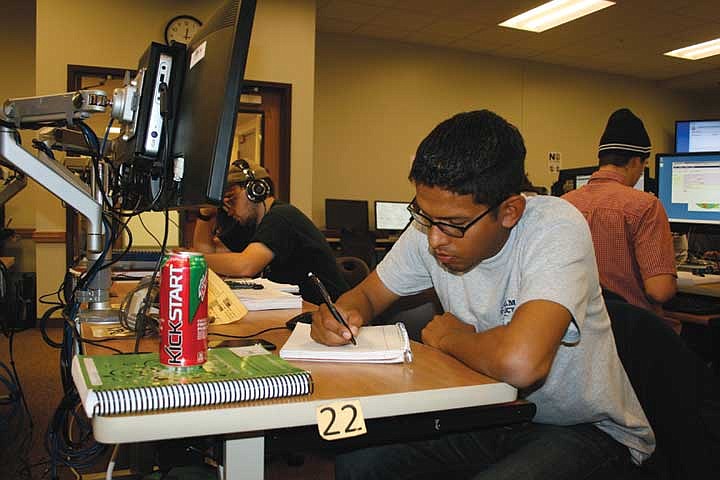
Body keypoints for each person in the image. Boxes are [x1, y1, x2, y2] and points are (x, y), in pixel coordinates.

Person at [311, 110, 653, 479]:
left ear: (509, 212)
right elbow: (366, 297)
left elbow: (522, 364)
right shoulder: (433, 226)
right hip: (495, 415)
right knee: (360, 463)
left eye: (454, 225)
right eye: (424, 216)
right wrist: (339, 314)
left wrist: (449, 338)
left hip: (583, 428)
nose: (435, 239)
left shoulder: (555, 227)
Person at [562, 108, 677, 330]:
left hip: (581, 329)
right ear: (635, 161)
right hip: (634, 332)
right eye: (643, 165)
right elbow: (660, 291)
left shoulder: (564, 203)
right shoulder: (645, 206)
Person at [193, 160, 348, 305]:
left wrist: (192, 260)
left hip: (326, 310)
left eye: (232, 199)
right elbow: (209, 252)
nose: (228, 210)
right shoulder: (251, 223)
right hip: (293, 307)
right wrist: (205, 214)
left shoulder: (281, 217)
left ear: (256, 191)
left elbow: (245, 265)